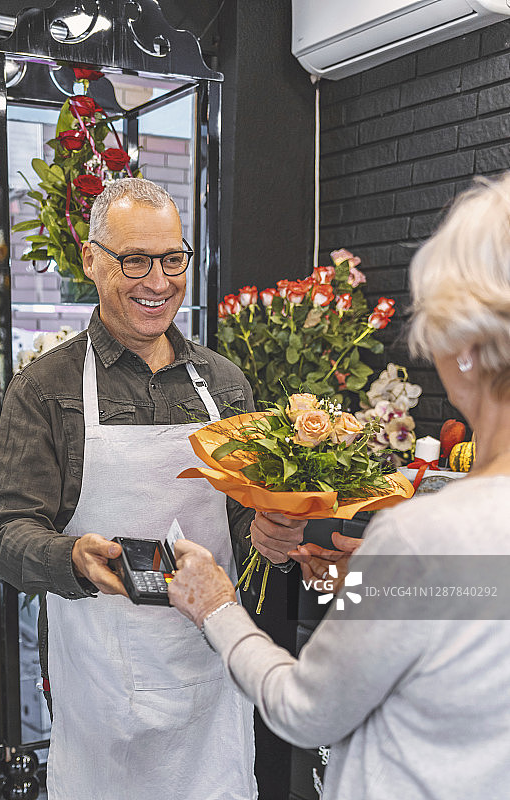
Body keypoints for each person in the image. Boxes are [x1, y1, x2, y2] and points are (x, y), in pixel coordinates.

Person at [168, 172, 510, 800]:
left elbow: (304, 709)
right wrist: (376, 580)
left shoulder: (423, 537)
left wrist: (215, 606)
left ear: (464, 346)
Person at [0, 178, 306, 800]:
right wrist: (69, 558)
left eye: (172, 258)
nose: (159, 281)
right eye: (135, 260)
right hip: (104, 682)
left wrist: (272, 534)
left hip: (215, 672)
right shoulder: (47, 390)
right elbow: (3, 534)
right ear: (93, 259)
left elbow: (242, 520)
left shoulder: (225, 383)